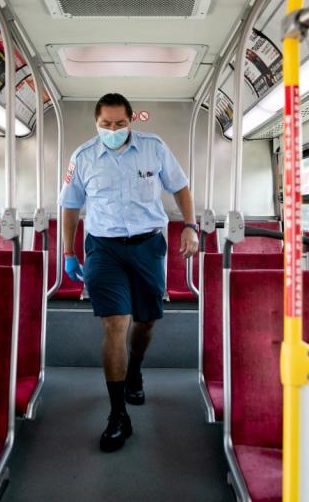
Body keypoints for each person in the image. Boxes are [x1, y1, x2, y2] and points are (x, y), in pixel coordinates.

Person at [59, 93, 199, 452]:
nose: (113, 130)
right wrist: (68, 252)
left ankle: (135, 368)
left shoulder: (155, 149)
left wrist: (190, 225)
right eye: (106, 124)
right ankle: (118, 413)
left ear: (131, 121)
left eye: (120, 124)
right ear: (96, 122)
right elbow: (70, 205)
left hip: (148, 245)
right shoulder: (82, 157)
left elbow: (180, 186)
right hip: (103, 248)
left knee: (147, 320)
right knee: (115, 322)